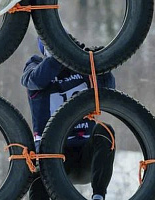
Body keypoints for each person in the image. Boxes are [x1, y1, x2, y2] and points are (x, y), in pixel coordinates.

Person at [21, 38, 116, 200]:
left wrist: (100, 64)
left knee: (105, 130)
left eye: (65, 46)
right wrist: (58, 57)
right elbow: (34, 81)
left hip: (85, 155)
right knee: (39, 170)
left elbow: (108, 90)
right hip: (53, 157)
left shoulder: (82, 68)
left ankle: (99, 196)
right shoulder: (35, 65)